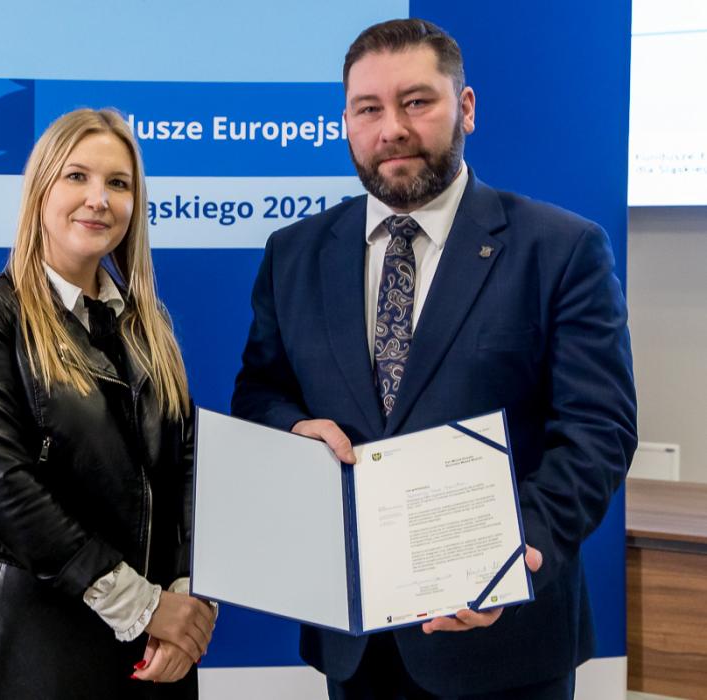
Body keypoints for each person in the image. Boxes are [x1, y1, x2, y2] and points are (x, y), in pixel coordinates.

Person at [232, 18, 636, 700]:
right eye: (368, 109)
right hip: (356, 644)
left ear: (466, 108)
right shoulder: (294, 254)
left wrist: (515, 554)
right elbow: (260, 391)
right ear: (347, 123)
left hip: (503, 639)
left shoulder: (560, 249)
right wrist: (292, 427)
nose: (392, 128)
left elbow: (599, 429)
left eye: (416, 101)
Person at [0, 108, 214, 699]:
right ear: (41, 189)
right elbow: (4, 485)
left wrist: (186, 598)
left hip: (159, 645)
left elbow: (189, 466)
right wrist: (140, 605)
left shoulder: (150, 326)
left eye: (118, 183)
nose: (99, 199)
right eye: (77, 176)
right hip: (42, 643)